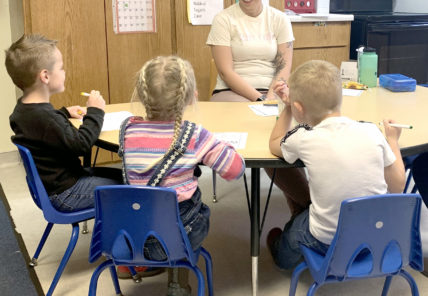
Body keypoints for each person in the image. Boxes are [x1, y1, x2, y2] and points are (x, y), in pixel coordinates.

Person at [120, 55, 245, 294]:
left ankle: (144, 264)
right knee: (193, 213)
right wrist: (221, 145)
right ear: (189, 98)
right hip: (176, 238)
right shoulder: (194, 135)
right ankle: (177, 282)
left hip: (129, 236)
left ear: (142, 95)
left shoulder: (128, 129)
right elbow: (235, 170)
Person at [267, 60, 405, 270]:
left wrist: (286, 108)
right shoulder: (371, 131)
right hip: (376, 237)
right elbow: (397, 186)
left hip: (327, 241)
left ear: (298, 108)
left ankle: (281, 254)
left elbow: (274, 142)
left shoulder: (303, 137)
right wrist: (392, 141)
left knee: (294, 233)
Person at [5, 34, 122, 213]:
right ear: (45, 76)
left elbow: (41, 127)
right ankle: (125, 236)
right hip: (67, 193)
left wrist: (64, 113)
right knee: (133, 186)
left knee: (124, 176)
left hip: (53, 188)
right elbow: (82, 144)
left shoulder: (23, 110)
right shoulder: (47, 118)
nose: (64, 72)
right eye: (61, 68)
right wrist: (95, 111)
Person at [206, 0, 294, 103]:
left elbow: (283, 67)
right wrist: (260, 99)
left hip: (273, 91)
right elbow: (226, 72)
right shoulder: (223, 19)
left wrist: (272, 97)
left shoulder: (280, 19)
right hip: (231, 91)